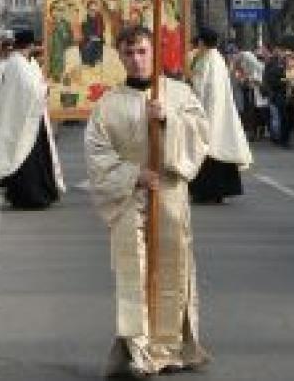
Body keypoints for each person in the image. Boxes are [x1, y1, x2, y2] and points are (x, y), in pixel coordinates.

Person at [84, 25, 211, 377]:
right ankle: (138, 350)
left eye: (142, 51)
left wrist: (169, 119)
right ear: (119, 56)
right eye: (129, 53)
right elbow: (97, 153)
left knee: (172, 268)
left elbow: (201, 135)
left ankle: (168, 346)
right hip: (129, 197)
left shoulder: (179, 94)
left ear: (153, 51)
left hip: (169, 193)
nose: (137, 60)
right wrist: (133, 174)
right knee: (133, 272)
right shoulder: (108, 104)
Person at [0, 30, 65, 209]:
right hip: (24, 120)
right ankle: (30, 196)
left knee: (32, 157)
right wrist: (45, 88)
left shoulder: (27, 62)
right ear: (30, 45)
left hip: (31, 117)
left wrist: (42, 86)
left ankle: (39, 192)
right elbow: (30, 90)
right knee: (25, 158)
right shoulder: (17, 64)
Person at [187, 28, 252, 204]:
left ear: (202, 42)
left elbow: (200, 87)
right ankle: (218, 192)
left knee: (210, 150)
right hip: (217, 110)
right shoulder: (216, 58)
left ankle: (207, 191)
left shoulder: (207, 60)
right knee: (217, 148)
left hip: (208, 110)